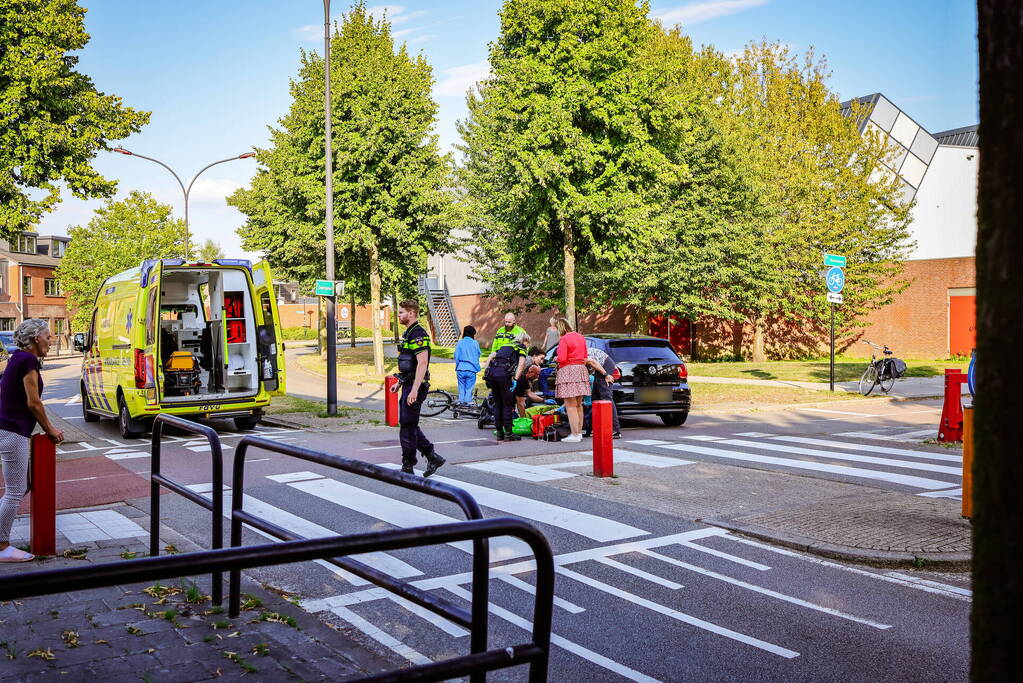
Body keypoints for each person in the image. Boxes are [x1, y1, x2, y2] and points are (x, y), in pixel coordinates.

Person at [0, 319, 65, 562]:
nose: (51, 340)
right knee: (15, 491)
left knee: (21, 487)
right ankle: (2, 547)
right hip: (13, 431)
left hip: (9, 429)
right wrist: (51, 430)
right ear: (36, 338)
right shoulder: (27, 360)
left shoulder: (17, 358)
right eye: (48, 336)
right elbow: (33, 402)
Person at [390, 300, 445, 477]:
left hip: (416, 386)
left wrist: (414, 390)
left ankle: (408, 465)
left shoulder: (418, 334)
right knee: (409, 424)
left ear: (411, 313)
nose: (398, 315)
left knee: (407, 425)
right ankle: (431, 456)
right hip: (409, 384)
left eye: (401, 312)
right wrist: (400, 381)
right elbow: (409, 364)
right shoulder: (409, 333)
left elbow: (422, 363)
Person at [486, 331, 528, 441]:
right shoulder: (521, 347)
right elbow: (521, 364)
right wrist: (516, 379)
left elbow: (490, 356)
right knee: (507, 404)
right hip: (504, 377)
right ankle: (509, 433)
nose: (528, 345)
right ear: (524, 341)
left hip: (493, 375)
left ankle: (499, 432)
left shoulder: (505, 346)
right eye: (528, 343)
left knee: (498, 404)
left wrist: (486, 372)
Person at [554, 317, 588, 442]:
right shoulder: (581, 337)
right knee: (578, 405)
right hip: (581, 369)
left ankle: (574, 434)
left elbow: (562, 358)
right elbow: (585, 357)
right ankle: (579, 433)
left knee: (570, 405)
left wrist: (556, 358)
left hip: (568, 371)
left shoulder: (564, 338)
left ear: (560, 328)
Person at [583, 344, 621, 438]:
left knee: (606, 398)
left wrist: (606, 375)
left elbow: (593, 362)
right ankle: (591, 429)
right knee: (595, 398)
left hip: (604, 365)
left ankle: (615, 430)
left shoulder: (580, 355)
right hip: (599, 368)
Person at [515, 345, 548, 417]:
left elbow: (529, 393)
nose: (542, 362)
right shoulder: (528, 361)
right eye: (541, 358)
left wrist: (544, 400)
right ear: (534, 355)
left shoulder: (529, 364)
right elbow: (520, 401)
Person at [454, 325, 481, 405]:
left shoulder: (460, 342)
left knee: (461, 387)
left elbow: (456, 356)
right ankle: (467, 402)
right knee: (469, 388)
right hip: (471, 369)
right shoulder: (475, 343)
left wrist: (457, 366)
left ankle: (461, 402)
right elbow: (478, 355)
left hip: (461, 368)